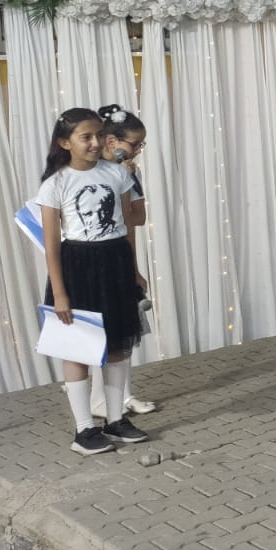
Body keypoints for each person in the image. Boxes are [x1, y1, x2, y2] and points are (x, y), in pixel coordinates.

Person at [37, 108, 149, 454]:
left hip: (114, 261)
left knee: (117, 345)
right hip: (78, 266)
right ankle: (84, 430)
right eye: (86, 137)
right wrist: (60, 292)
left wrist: (133, 270)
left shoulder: (117, 174)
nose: (95, 142)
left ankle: (115, 420)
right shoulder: (56, 184)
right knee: (79, 348)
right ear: (64, 142)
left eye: (98, 135)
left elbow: (129, 224)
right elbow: (52, 245)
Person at [94, 105, 156, 417]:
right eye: (135, 144)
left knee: (123, 330)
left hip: (119, 254)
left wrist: (134, 268)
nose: (138, 151)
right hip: (88, 259)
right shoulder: (86, 170)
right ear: (110, 140)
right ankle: (96, 396)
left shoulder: (131, 172)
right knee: (94, 330)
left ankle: (123, 395)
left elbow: (136, 219)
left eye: (141, 145)